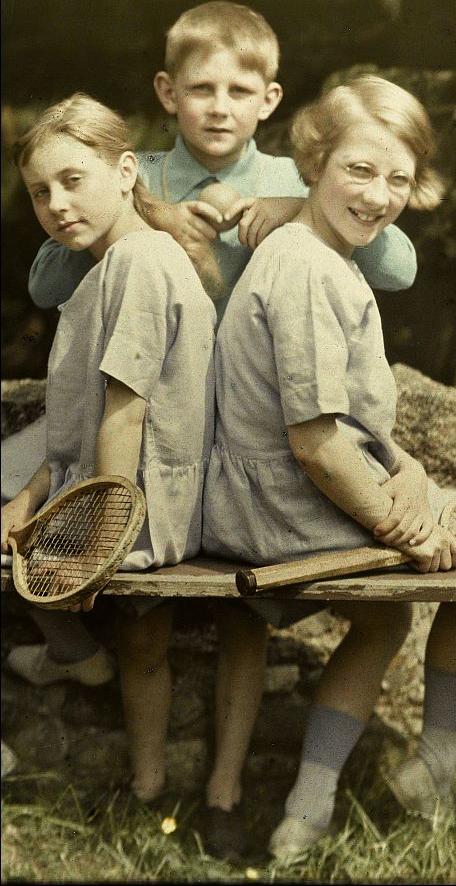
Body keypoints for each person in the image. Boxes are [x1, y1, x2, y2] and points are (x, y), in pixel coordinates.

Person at [4, 2, 418, 859]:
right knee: (49, 504)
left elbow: (395, 257)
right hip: (153, 402)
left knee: (245, 623)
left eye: (239, 89)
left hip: (250, 421)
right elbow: (52, 279)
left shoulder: (300, 173)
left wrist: (287, 203)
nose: (219, 106)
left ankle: (225, 790)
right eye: (200, 88)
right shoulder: (133, 170)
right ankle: (124, 742)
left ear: (269, 98)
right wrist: (144, 206)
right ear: (168, 93)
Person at [201, 74, 456, 859]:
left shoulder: (328, 257)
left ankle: (306, 811)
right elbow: (315, 443)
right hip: (280, 504)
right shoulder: (302, 267)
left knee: (397, 606)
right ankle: (432, 763)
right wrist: (400, 522)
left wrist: (400, 465)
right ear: (315, 159)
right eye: (359, 171)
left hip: (293, 488)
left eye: (398, 178)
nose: (378, 195)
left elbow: (351, 425)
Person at [1, 93, 216, 805]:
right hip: (119, 497)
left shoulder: (141, 262)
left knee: (144, 635)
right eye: (40, 191)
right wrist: (29, 498)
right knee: (144, 643)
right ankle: (148, 785)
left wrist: (96, 540)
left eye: (73, 179)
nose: (57, 203)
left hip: (136, 511)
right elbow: (73, 432)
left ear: (126, 171)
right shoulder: (108, 268)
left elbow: (125, 417)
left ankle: (78, 662)